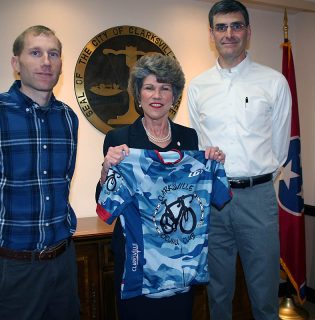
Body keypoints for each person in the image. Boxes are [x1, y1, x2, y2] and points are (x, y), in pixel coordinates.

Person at [0, 25, 80, 319]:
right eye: (35, 53)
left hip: (63, 263)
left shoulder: (68, 118)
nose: (46, 61)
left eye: (53, 54)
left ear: (61, 63)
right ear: (16, 63)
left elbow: (63, 182)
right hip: (13, 270)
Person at [95, 53, 228, 320]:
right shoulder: (120, 139)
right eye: (149, 87)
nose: (157, 95)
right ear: (138, 93)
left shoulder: (188, 137)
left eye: (165, 88)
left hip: (180, 261)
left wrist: (214, 162)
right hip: (137, 261)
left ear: (174, 95)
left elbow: (206, 195)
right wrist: (107, 167)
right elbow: (103, 200)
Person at [188, 1, 292, 319]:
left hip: (257, 198)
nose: (229, 33)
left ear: (248, 31)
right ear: (211, 34)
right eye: (221, 27)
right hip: (214, 199)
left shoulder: (273, 82)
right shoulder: (197, 87)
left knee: (263, 296)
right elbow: (198, 144)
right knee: (218, 293)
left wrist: (253, 177)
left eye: (236, 26)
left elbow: (279, 148)